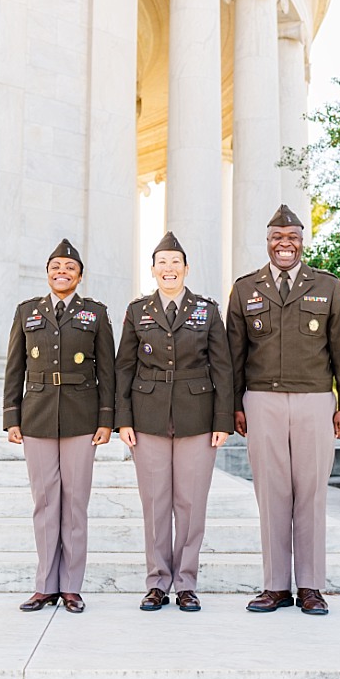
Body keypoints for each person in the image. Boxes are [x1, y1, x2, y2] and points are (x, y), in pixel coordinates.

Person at [226, 205, 340, 615]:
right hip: (261, 401)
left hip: (316, 401)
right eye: (277, 238)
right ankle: (275, 586)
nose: (285, 245)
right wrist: (234, 405)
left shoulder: (327, 286)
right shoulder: (246, 288)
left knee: (311, 494)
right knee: (272, 494)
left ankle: (312, 588)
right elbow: (234, 354)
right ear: (267, 243)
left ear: (302, 241)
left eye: (292, 238)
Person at [115, 232, 234, 612]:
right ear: (152, 270)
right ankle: (157, 583)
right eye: (161, 263)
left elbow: (223, 368)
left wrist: (222, 420)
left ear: (186, 269)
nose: (168, 269)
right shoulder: (137, 312)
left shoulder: (207, 310)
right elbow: (124, 369)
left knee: (190, 504)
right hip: (147, 418)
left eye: (175, 262)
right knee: (155, 504)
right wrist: (123, 420)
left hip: (197, 418)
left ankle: (185, 583)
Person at [3, 238, 115, 613]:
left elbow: (107, 372)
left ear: (80, 276)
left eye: (69, 268)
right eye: (55, 268)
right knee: (45, 501)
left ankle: (71, 586)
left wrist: (106, 419)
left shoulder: (95, 314)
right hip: (35, 416)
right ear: (47, 274)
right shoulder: (27, 312)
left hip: (82, 417)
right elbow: (14, 368)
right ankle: (45, 585)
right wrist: (10, 416)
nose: (61, 273)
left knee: (76, 503)